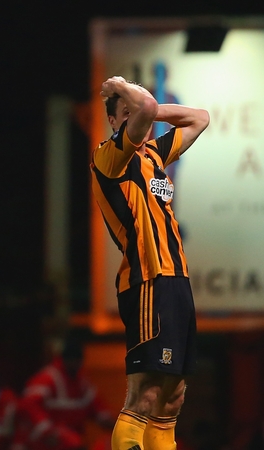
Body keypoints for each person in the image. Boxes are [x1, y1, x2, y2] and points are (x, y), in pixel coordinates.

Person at [90, 76, 209, 450]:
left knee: (171, 400)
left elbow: (200, 118)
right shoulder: (110, 157)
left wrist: (147, 104)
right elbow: (145, 110)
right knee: (145, 395)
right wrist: (123, 88)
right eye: (125, 113)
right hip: (147, 281)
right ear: (113, 122)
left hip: (177, 281)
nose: (138, 118)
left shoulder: (154, 154)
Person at [14, 333, 113, 450]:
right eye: (73, 360)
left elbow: (99, 409)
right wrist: (46, 429)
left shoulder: (82, 383)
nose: (76, 364)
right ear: (65, 359)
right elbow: (27, 405)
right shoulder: (47, 379)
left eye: (78, 361)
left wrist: (117, 425)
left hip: (72, 441)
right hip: (46, 442)